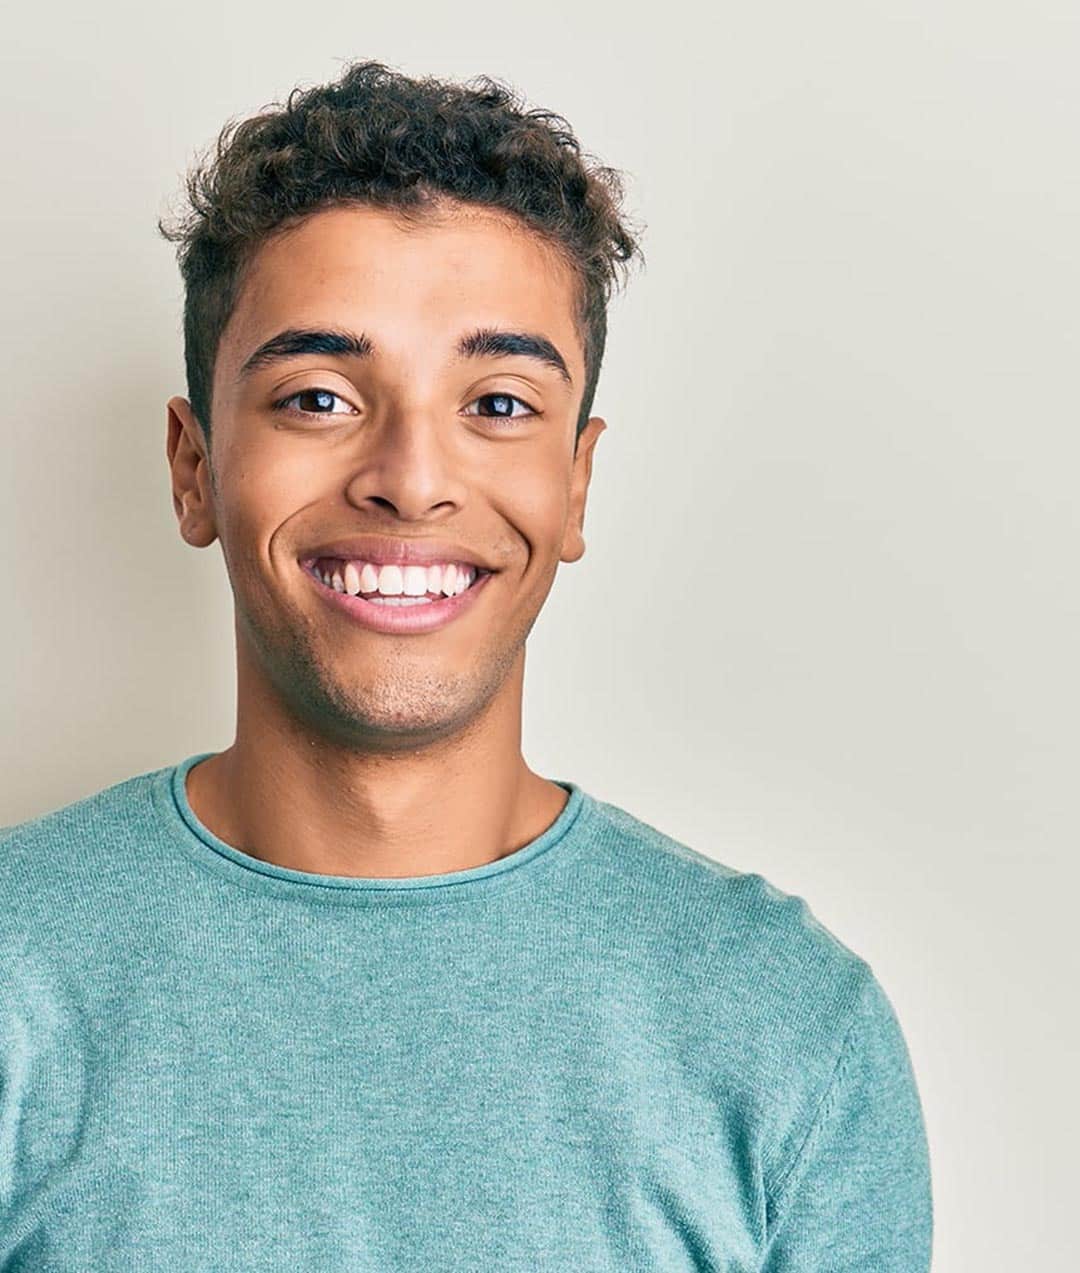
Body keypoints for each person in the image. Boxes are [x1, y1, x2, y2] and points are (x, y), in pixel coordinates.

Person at [0, 60, 932, 1270]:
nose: (412, 475)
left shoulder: (788, 1026)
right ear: (193, 468)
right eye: (320, 395)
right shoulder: (18, 982)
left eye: (496, 404)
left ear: (577, 481)